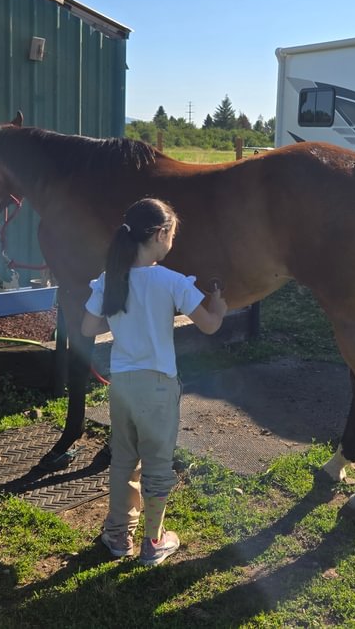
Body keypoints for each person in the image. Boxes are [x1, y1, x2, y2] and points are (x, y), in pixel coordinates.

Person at [81, 198, 227, 566]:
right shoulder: (172, 281)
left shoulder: (110, 279)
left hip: (122, 385)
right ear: (161, 234)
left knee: (124, 460)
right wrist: (220, 309)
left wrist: (116, 318)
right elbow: (208, 325)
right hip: (159, 387)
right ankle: (153, 541)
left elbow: (88, 327)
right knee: (158, 463)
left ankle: (117, 534)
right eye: (172, 234)